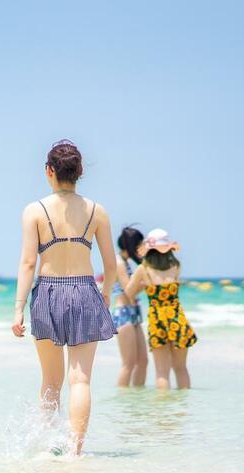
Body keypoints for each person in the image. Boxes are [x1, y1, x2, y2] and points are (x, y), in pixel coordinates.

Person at [12, 140, 117, 455]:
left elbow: (29, 263)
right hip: (86, 291)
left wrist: (18, 309)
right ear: (79, 172)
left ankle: (46, 448)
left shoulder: (35, 210)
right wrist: (107, 295)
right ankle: (75, 452)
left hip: (47, 291)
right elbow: (111, 265)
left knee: (51, 381)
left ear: (49, 171)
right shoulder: (96, 211)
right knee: (81, 380)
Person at [125, 229, 197, 390]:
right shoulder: (176, 266)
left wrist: (144, 287)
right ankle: (182, 411)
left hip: (157, 321)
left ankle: (163, 414)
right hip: (177, 318)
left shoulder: (143, 270)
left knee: (162, 373)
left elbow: (129, 293)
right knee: (181, 369)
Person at [112, 227, 148, 387]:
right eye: (140, 244)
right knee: (128, 363)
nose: (142, 248)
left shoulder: (125, 262)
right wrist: (149, 281)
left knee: (143, 361)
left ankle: (136, 402)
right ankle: (123, 405)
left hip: (133, 313)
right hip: (123, 313)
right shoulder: (119, 262)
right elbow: (129, 291)